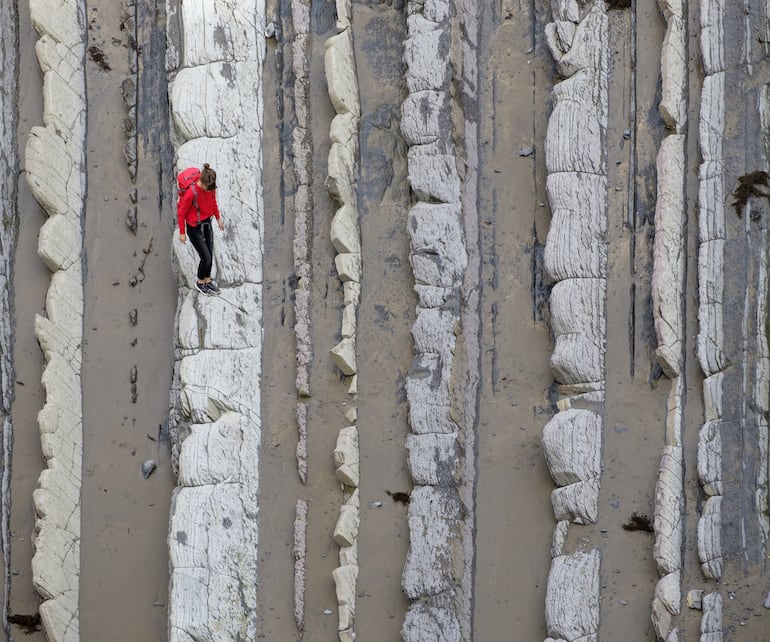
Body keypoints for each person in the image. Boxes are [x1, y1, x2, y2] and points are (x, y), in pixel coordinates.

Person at [177, 163, 225, 295]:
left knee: (209, 253)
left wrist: (218, 218)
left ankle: (207, 280)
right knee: (206, 257)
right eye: (208, 189)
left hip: (207, 223)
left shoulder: (210, 187)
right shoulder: (191, 194)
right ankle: (200, 282)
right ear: (203, 184)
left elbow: (213, 202)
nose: (211, 191)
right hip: (194, 228)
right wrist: (182, 232)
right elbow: (181, 212)